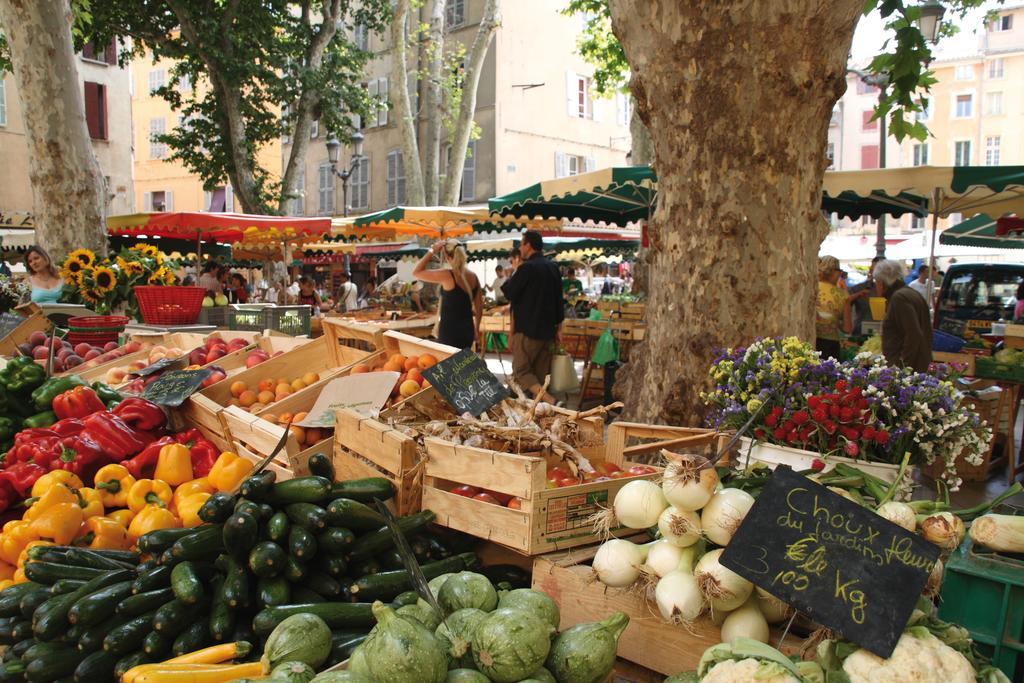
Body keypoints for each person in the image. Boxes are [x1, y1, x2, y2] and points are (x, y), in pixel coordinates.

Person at [502, 231, 564, 403]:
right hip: (548, 332)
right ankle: (541, 417)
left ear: (528, 245)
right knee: (541, 377)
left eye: (521, 244)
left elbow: (509, 292)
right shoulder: (553, 268)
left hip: (527, 331)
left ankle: (551, 401)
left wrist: (512, 273)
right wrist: (559, 329)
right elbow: (560, 300)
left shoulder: (526, 268)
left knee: (521, 372)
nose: (520, 248)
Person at [412, 239, 483, 350]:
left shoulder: (447, 275)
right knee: (463, 364)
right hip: (467, 330)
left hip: (449, 332)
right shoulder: (473, 276)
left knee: (450, 366)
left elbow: (416, 272)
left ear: (447, 257)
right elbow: (479, 307)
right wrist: (476, 329)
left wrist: (432, 251)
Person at [873, 259, 932, 372]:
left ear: (882, 282)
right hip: (919, 365)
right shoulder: (911, 293)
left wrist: (902, 366)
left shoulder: (899, 298)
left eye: (876, 281)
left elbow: (913, 334)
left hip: (908, 368)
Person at [816, 255, 864, 360]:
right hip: (830, 345)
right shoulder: (843, 295)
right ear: (834, 271)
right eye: (839, 271)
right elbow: (847, 328)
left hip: (811, 341)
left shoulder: (812, 288)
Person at [850, 256, 884, 335]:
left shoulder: (893, 291)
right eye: (874, 269)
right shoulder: (859, 289)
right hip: (861, 332)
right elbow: (846, 304)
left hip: (885, 333)